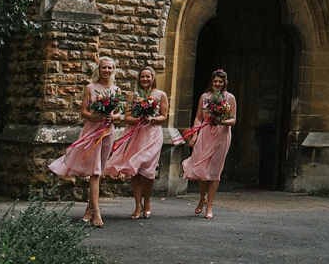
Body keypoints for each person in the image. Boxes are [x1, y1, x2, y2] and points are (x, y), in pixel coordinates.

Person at [49, 56, 123, 227]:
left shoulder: (116, 90)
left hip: (107, 133)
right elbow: (84, 112)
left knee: (100, 170)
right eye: (104, 68)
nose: (107, 71)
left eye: (110, 68)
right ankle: (97, 213)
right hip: (92, 132)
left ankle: (89, 211)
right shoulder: (90, 88)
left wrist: (113, 116)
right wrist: (95, 116)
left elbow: (119, 115)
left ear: (113, 70)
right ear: (99, 69)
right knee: (95, 171)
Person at [105, 65, 168, 219]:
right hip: (137, 134)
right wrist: (139, 119)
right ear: (139, 79)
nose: (145, 79)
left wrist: (152, 119)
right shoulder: (133, 96)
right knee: (135, 169)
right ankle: (138, 205)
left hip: (153, 135)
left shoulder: (160, 95)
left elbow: (164, 116)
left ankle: (147, 201)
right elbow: (127, 118)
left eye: (148, 76)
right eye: (142, 77)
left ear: (153, 79)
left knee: (148, 170)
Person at [181, 68, 236, 219]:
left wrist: (220, 121)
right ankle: (201, 199)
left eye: (220, 81)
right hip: (205, 133)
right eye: (215, 81)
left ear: (225, 83)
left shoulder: (229, 97)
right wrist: (194, 135)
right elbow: (199, 117)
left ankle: (210, 204)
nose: (217, 84)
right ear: (212, 82)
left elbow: (233, 119)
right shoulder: (204, 97)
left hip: (221, 135)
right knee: (201, 169)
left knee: (214, 170)